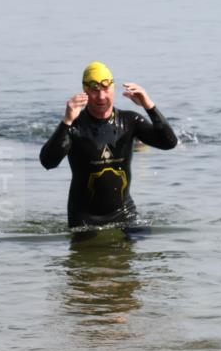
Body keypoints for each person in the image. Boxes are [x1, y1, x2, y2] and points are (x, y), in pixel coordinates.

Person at [40, 61, 178, 229]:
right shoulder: (75, 126)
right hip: (85, 220)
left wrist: (148, 105)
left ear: (113, 88)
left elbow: (169, 143)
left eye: (106, 89)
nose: (101, 97)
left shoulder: (129, 121)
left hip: (125, 214)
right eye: (95, 90)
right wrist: (67, 121)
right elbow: (48, 162)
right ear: (85, 91)